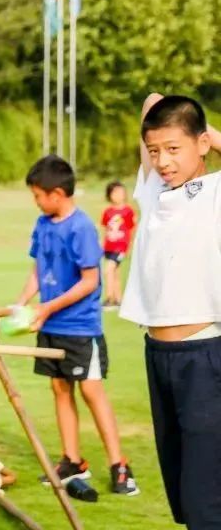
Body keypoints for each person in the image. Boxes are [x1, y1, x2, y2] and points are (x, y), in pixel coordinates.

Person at [119, 94, 221, 528]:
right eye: (154, 150)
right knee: (182, 490)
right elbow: (151, 102)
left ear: (202, 144)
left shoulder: (216, 191)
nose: (162, 160)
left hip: (205, 357)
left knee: (206, 500)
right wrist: (165, 134)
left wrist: (209, 137)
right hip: (159, 356)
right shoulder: (154, 190)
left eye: (174, 150)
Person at [15, 155, 138, 496]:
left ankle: (119, 465)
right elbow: (38, 271)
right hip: (50, 323)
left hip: (80, 327)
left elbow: (89, 281)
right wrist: (21, 305)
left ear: (57, 193)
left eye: (38, 196)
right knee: (59, 388)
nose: (37, 202)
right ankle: (72, 459)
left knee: (90, 391)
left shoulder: (81, 227)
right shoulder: (42, 224)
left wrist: (47, 306)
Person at [99, 180, 136, 309]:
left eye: (120, 192)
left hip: (121, 247)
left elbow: (132, 229)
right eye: (115, 193)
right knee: (115, 273)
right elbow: (105, 229)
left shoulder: (128, 211)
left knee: (108, 270)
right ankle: (118, 299)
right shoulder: (107, 212)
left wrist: (129, 247)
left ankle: (109, 298)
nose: (118, 195)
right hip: (109, 247)